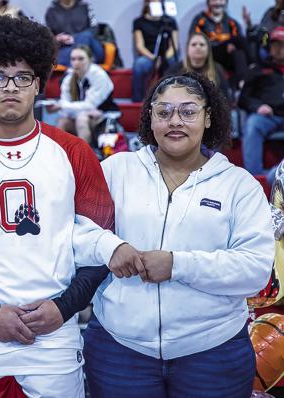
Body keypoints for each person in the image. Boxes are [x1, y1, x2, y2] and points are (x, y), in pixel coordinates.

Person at [0, 15, 141, 398]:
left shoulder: (75, 153)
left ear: (38, 84)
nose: (11, 87)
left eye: (23, 77)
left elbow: (101, 245)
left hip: (54, 340)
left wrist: (64, 308)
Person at [72, 72, 273, 398]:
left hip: (213, 353)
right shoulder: (115, 171)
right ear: (150, 118)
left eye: (188, 111)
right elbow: (76, 231)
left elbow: (254, 270)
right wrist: (110, 245)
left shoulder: (239, 185)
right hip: (120, 350)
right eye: (163, 112)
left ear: (208, 117)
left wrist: (177, 265)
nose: (175, 121)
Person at [238, 26, 284, 185]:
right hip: (267, 117)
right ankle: (254, 178)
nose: (279, 49)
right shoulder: (259, 69)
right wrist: (258, 106)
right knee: (252, 124)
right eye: (275, 45)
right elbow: (243, 98)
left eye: (282, 45)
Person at [50, 45, 118, 144]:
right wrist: (61, 107)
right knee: (62, 121)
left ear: (90, 60)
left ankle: (84, 156)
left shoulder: (99, 75)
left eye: (81, 59)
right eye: (73, 59)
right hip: (81, 114)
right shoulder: (69, 78)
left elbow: (90, 105)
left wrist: (61, 106)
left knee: (81, 119)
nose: (76, 63)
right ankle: (59, 155)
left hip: (105, 116)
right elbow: (66, 106)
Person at [190, 0, 249, 88]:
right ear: (208, 2)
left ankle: (242, 84)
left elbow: (237, 40)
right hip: (210, 53)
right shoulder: (200, 20)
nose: (217, 3)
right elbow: (196, 40)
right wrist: (226, 45)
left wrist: (231, 44)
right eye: (214, 0)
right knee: (231, 43)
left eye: (221, 0)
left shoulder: (231, 22)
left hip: (227, 57)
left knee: (239, 52)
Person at [131, 0, 179, 102]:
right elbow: (139, 46)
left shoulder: (170, 21)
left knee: (174, 63)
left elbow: (174, 46)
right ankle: (137, 100)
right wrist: (154, 59)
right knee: (139, 64)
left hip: (167, 56)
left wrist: (163, 59)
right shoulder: (139, 22)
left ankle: (173, 98)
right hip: (149, 56)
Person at [165, 32, 231, 100]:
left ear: (208, 49)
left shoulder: (218, 69)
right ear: (187, 49)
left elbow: (225, 98)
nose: (198, 47)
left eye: (202, 44)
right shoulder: (175, 69)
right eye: (194, 44)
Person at [45, 0, 104, 67]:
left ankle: (74, 70)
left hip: (90, 46)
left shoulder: (85, 6)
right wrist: (57, 38)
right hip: (65, 48)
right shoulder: (51, 11)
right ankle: (83, 66)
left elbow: (94, 28)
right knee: (72, 56)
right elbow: (48, 37)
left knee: (85, 36)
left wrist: (74, 38)